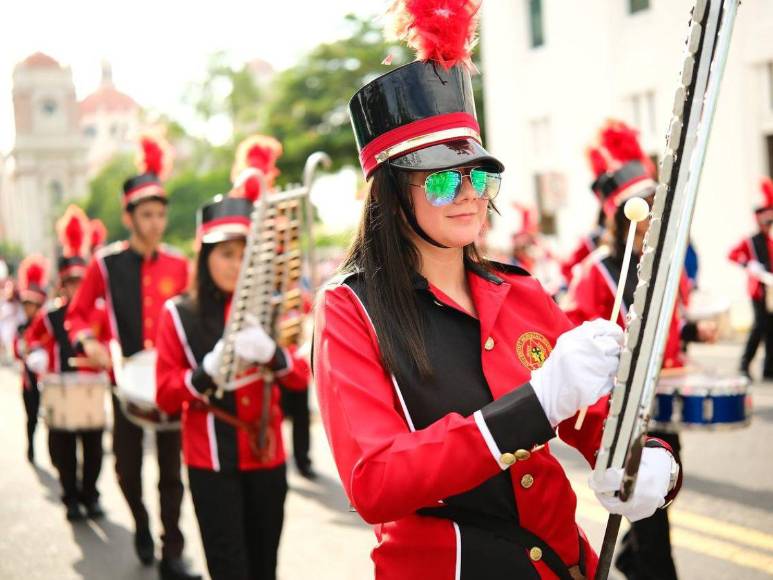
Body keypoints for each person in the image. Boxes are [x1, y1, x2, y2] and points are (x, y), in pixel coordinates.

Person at [312, 3, 681, 578]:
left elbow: (594, 417)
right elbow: (374, 481)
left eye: (478, 174)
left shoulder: (518, 290)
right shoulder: (350, 307)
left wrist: (649, 462)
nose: (467, 193)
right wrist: (533, 406)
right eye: (440, 179)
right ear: (389, 192)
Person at [563, 122, 715, 580]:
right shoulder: (594, 274)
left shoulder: (668, 268)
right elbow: (574, 338)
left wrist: (694, 334)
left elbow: (674, 328)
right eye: (645, 208)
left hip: (663, 399)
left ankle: (631, 558)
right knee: (653, 524)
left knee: (661, 495)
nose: (654, 216)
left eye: (658, 206)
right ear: (620, 217)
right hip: (621, 409)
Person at [156, 134, 311, 580]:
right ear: (205, 257)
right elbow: (166, 396)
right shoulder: (178, 314)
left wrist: (274, 355)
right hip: (212, 462)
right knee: (229, 570)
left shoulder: (279, 301)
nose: (236, 264)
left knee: (266, 568)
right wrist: (206, 370)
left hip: (267, 457)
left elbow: (302, 377)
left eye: (246, 254)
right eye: (226, 254)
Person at [65, 131, 199, 580]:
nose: (157, 222)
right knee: (125, 469)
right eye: (148, 214)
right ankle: (140, 523)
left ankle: (171, 551)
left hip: (166, 381)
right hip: (123, 383)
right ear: (130, 217)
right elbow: (77, 315)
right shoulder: (106, 264)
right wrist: (88, 342)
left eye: (161, 213)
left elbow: (192, 320)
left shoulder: (180, 264)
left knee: (170, 474)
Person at [25, 206, 108, 521]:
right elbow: (30, 340)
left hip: (90, 391)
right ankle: (70, 496)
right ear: (62, 283)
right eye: (71, 282)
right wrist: (36, 355)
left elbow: (111, 343)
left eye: (81, 281)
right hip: (60, 388)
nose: (76, 287)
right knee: (62, 449)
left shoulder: (98, 312)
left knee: (94, 450)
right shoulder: (50, 314)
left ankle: (90, 494)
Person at [561, 120, 657, 287]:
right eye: (643, 204)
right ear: (622, 215)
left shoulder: (665, 244)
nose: (651, 212)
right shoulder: (596, 259)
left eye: (653, 202)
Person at [728, 177, 773, 380]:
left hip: (771, 290)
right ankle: (745, 363)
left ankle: (769, 368)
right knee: (760, 326)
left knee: (771, 328)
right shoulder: (751, 240)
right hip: (758, 291)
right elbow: (732, 255)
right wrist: (749, 265)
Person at [13, 255, 49, 463]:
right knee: (31, 417)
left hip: (45, 379)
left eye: (32, 304)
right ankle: (31, 447)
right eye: (25, 303)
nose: (28, 308)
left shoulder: (46, 325)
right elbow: (17, 354)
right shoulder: (21, 328)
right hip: (28, 381)